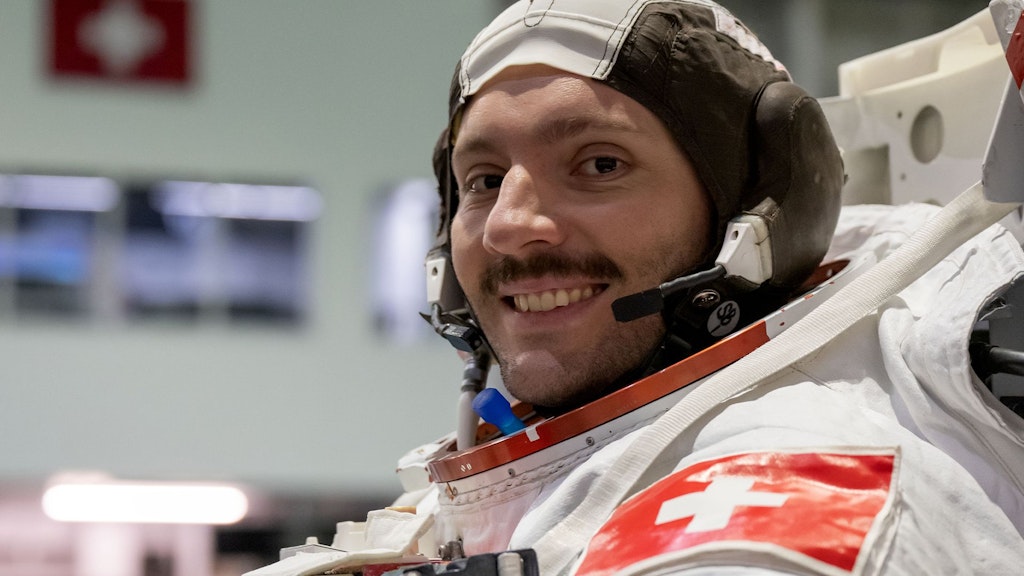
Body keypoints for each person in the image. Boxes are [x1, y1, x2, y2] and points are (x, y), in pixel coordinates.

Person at [249, 1, 1024, 574]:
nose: (510, 226)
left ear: (755, 213)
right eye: (482, 180)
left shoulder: (775, 501)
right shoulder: (592, 463)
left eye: (598, 165)